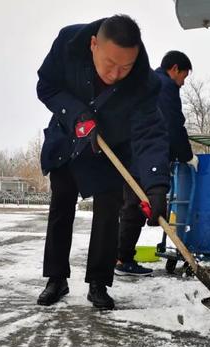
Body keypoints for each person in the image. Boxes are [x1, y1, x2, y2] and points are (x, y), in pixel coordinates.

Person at [36, 15, 170, 310]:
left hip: (112, 150)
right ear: (93, 44)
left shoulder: (145, 84)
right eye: (110, 64)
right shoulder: (68, 44)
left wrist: (157, 185)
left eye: (126, 66)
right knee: (61, 208)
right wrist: (77, 116)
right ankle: (56, 279)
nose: (116, 74)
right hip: (68, 140)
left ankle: (99, 282)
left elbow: (150, 135)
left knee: (109, 215)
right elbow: (46, 86)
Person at [115, 50, 196, 276]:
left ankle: (120, 256)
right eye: (184, 77)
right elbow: (172, 125)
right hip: (144, 157)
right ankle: (123, 259)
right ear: (175, 69)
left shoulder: (150, 82)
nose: (182, 83)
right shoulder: (165, 87)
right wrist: (186, 155)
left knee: (130, 206)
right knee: (136, 208)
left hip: (132, 154)